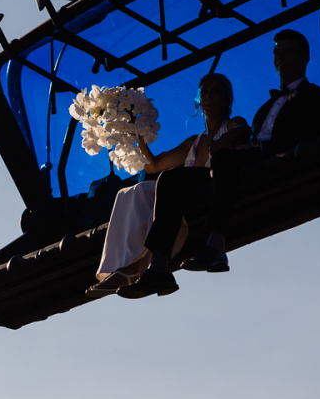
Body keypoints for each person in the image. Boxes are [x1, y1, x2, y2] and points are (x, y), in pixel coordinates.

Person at [125, 29, 320, 296]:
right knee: (169, 178)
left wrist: (238, 144)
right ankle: (158, 268)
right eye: (277, 53)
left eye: (288, 52)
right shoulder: (265, 108)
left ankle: (216, 246)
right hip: (238, 161)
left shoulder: (316, 96)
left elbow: (313, 130)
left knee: (224, 158)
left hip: (267, 157)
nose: (281, 58)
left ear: (305, 57)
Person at [86, 73, 245, 298]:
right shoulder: (194, 141)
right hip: (182, 187)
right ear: (199, 100)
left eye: (216, 91)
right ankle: (125, 265)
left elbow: (244, 132)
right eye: (205, 92)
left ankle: (139, 268)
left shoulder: (233, 125)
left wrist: (225, 142)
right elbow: (154, 166)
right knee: (126, 193)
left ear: (228, 99)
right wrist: (135, 133)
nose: (209, 96)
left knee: (157, 185)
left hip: (207, 184)